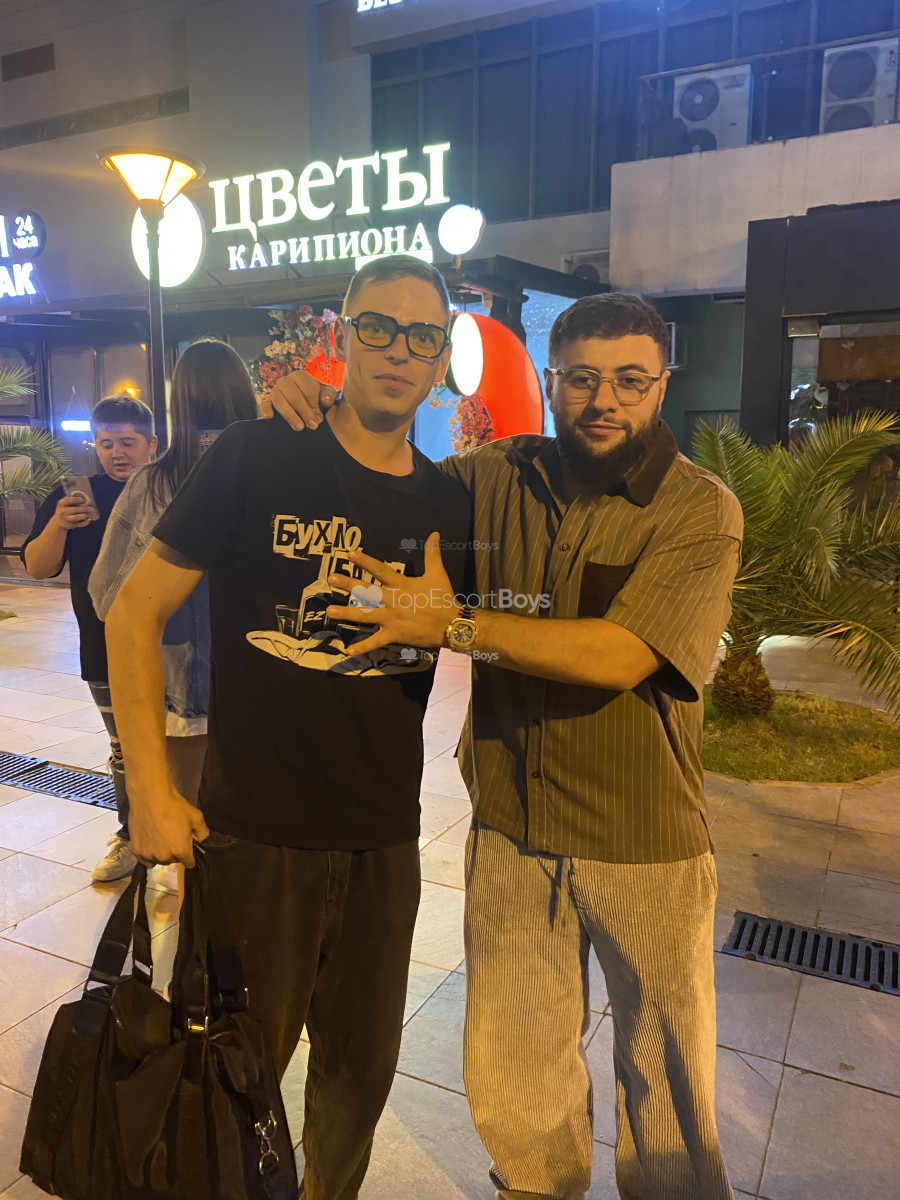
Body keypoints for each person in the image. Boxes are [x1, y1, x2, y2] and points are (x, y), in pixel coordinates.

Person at [265, 292, 743, 1200]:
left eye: (630, 380)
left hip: (644, 839)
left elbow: (620, 655)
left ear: (661, 386)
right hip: (513, 832)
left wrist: (455, 624)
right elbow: (381, 481)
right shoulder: (495, 478)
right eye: (583, 379)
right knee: (518, 1079)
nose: (604, 400)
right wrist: (307, 410)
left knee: (668, 1087)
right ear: (552, 382)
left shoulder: (698, 509)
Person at [103, 255, 471, 1200]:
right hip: (256, 839)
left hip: (384, 845)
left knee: (357, 1082)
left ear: (441, 361)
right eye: (377, 327)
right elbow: (132, 612)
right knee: (235, 1076)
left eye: (422, 337)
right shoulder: (255, 455)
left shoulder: (451, 502)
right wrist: (149, 789)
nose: (398, 351)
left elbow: (487, 621)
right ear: (341, 338)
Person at [89, 339, 259, 811]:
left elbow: (106, 595)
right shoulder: (276, 473)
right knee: (256, 822)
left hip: (184, 688)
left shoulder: (154, 482)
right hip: (268, 681)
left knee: (189, 819)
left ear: (178, 401)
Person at [22, 394, 157, 882]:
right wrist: (58, 525)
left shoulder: (170, 491)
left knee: (183, 742)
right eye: (106, 443)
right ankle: (132, 836)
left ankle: (188, 836)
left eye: (127, 442)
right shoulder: (75, 498)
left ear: (151, 444)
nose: (117, 453)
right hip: (103, 649)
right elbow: (38, 568)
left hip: (171, 645)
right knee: (124, 748)